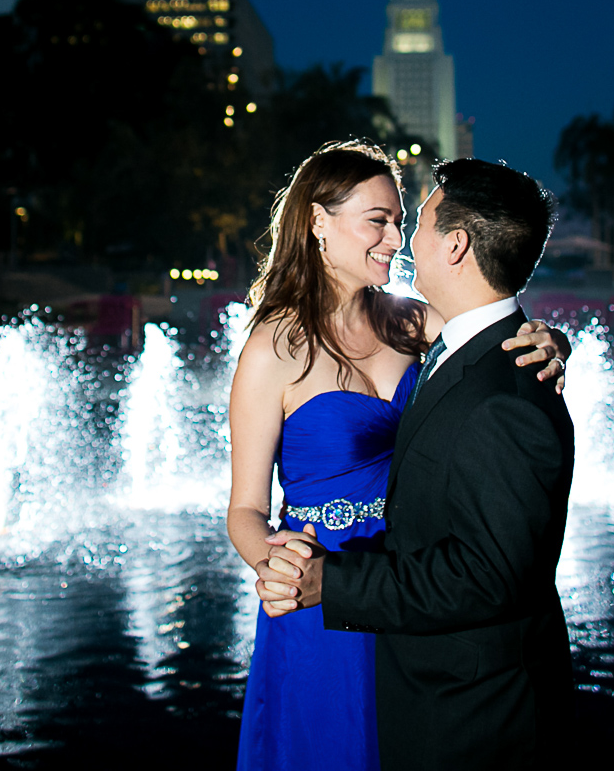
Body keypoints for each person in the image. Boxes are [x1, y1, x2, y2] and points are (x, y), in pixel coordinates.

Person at [229, 142, 569, 771]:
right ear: (317, 223)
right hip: (319, 593)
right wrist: (279, 571)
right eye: (377, 220)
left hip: (413, 583)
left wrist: (552, 340)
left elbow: (490, 337)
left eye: (401, 218)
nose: (396, 238)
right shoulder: (270, 349)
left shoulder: (413, 324)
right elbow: (245, 509)